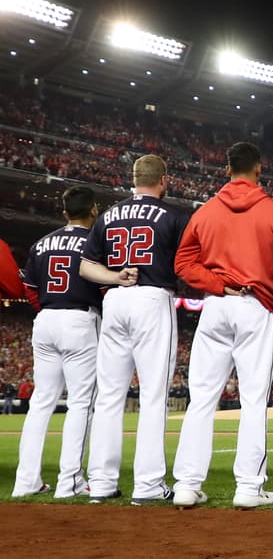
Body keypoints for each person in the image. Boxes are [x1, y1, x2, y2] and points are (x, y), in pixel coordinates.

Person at [170, 141, 273, 510]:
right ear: (260, 168)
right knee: (253, 401)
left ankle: (187, 485)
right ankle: (248, 487)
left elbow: (183, 264)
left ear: (226, 169)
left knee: (201, 400)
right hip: (256, 306)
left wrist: (217, 284)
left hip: (216, 305)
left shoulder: (204, 212)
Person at [79, 155, 190, 505]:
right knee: (153, 396)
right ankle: (148, 485)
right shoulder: (172, 215)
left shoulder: (109, 214)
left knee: (109, 397)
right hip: (153, 299)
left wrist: (115, 277)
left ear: (133, 178)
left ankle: (100, 483)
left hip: (116, 299)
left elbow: (85, 266)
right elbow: (187, 264)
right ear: (164, 179)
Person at [13, 185, 125, 498]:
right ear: (93, 210)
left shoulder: (41, 243)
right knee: (79, 404)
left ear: (64, 212)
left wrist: (49, 310)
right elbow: (108, 288)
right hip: (79, 319)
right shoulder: (96, 242)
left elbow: (30, 288)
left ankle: (26, 483)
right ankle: (70, 482)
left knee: (40, 404)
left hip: (46, 320)